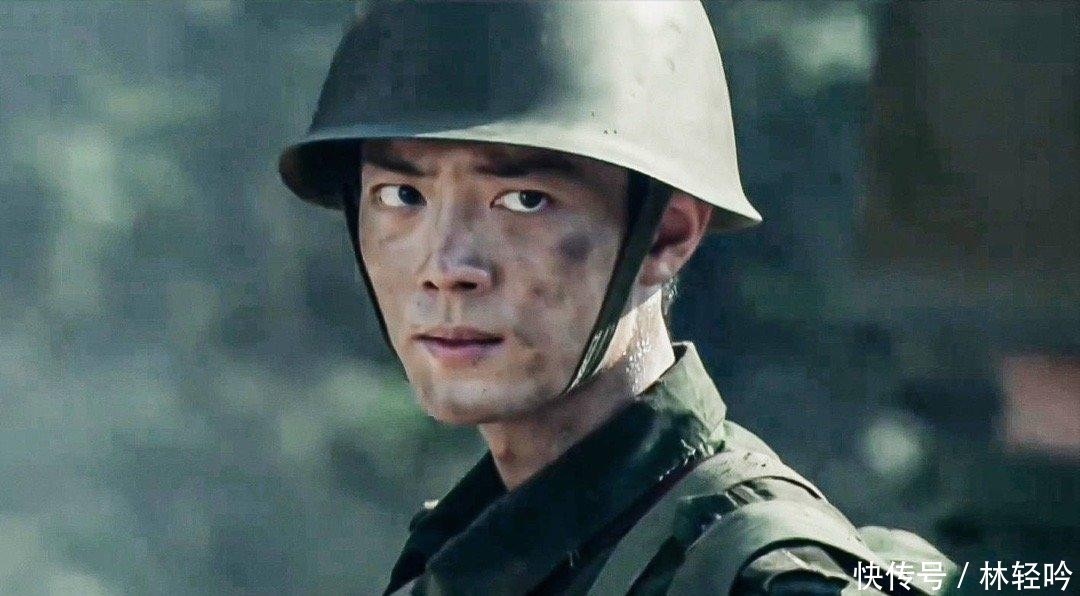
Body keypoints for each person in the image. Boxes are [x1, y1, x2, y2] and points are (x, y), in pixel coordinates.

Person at [278, 2, 956, 594]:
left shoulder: (758, 578)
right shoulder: (467, 554)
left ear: (666, 235)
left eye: (523, 200)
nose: (447, 267)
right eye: (402, 195)